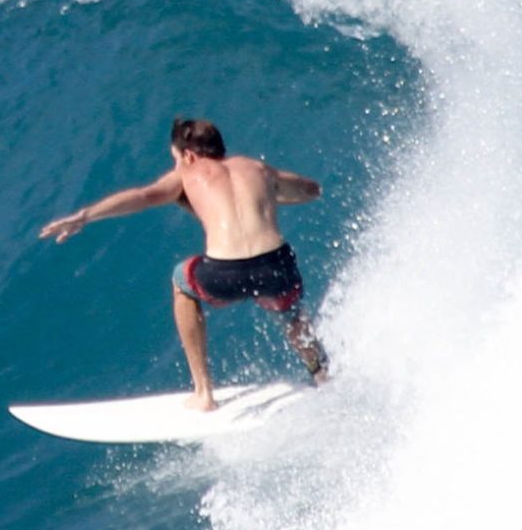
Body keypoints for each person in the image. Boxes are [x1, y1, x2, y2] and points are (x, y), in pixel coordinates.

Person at [39, 117, 329, 411]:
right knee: (290, 312)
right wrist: (265, 197)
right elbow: (310, 190)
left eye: (176, 159)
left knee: (182, 279)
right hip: (276, 266)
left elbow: (144, 196)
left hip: (225, 273)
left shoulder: (187, 174)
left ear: (188, 155)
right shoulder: (257, 168)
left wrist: (85, 215)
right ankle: (322, 375)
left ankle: (204, 393)